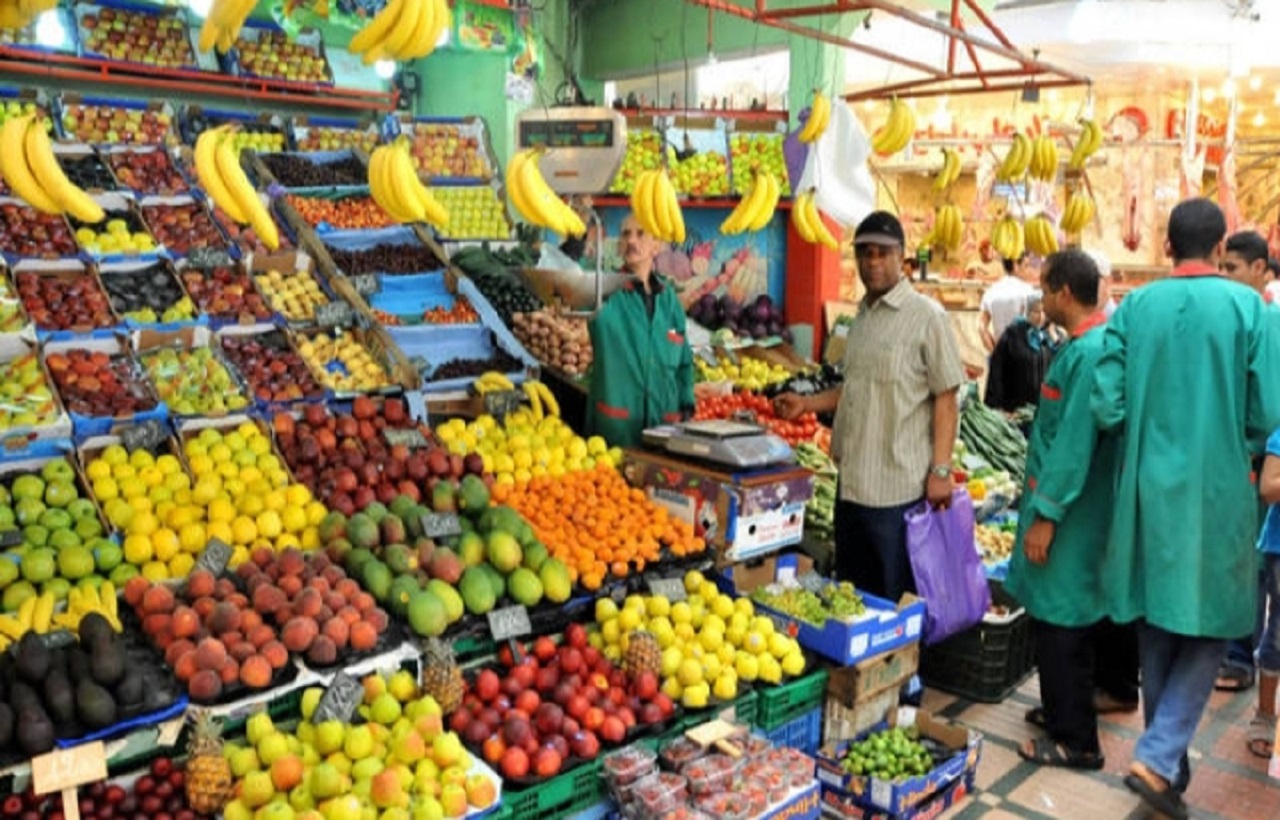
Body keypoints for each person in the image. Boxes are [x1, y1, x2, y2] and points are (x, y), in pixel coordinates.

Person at [1091, 198, 1280, 820]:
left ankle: (1165, 765)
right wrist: (1234, 440)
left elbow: (1106, 404)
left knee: (1157, 618)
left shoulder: (1134, 307)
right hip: (1217, 490)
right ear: (1221, 248)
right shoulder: (1250, 309)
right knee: (1214, 623)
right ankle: (1157, 754)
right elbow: (1266, 412)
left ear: (1167, 246)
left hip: (1145, 489)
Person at [773, 211, 964, 601]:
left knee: (893, 603)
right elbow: (855, 388)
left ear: (901, 257)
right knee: (854, 599)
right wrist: (806, 404)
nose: (872, 262)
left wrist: (941, 469)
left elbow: (947, 397)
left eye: (882, 253)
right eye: (864, 253)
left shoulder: (927, 318)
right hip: (852, 489)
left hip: (898, 494)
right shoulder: (861, 317)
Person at [1005, 249, 1113, 770]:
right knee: (1056, 619)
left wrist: (1046, 516)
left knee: (1062, 622)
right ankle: (1060, 712)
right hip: (1069, 510)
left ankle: (1077, 740)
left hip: (1070, 516)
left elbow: (1073, 445)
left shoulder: (1089, 355)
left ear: (1064, 293)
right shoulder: (1082, 346)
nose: (1041, 298)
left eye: (1045, 289)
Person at [1216, 230, 1278, 694]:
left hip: (1258, 461)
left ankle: (1240, 658)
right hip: (1235, 459)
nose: (1225, 276)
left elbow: (1270, 406)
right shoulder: (1233, 318)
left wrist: (1257, 449)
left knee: (1250, 560)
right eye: (1221, 267)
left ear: (1260, 269)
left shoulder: (1269, 321)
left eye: (1232, 268)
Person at [585, 214, 695, 448]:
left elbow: (684, 361)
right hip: (616, 428)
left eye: (640, 233)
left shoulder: (669, 301)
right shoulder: (603, 292)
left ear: (657, 246)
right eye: (626, 234)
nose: (631, 240)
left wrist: (686, 403)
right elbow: (573, 287)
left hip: (663, 426)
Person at [983, 293, 1057, 414]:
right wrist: (996, 406)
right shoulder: (1013, 335)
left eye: (1044, 312)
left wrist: (1055, 338)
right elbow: (997, 370)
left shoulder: (1052, 335)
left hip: (1045, 409)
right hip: (1015, 409)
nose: (1041, 317)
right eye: (1036, 312)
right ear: (1027, 312)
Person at [979, 253, 1038, 352]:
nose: (1028, 271)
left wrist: (994, 352)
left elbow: (981, 328)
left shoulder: (991, 292)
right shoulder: (1028, 292)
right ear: (1015, 265)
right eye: (1026, 266)